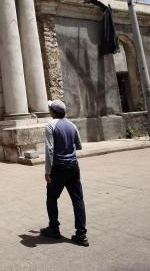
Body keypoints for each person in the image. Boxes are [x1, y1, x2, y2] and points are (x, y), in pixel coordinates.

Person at [41, 99, 88, 246]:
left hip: (58, 168)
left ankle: (54, 229)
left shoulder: (50, 125)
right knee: (78, 200)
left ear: (53, 112)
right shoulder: (72, 125)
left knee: (52, 197)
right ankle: (81, 235)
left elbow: (49, 149)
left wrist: (47, 171)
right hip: (73, 166)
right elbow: (79, 146)